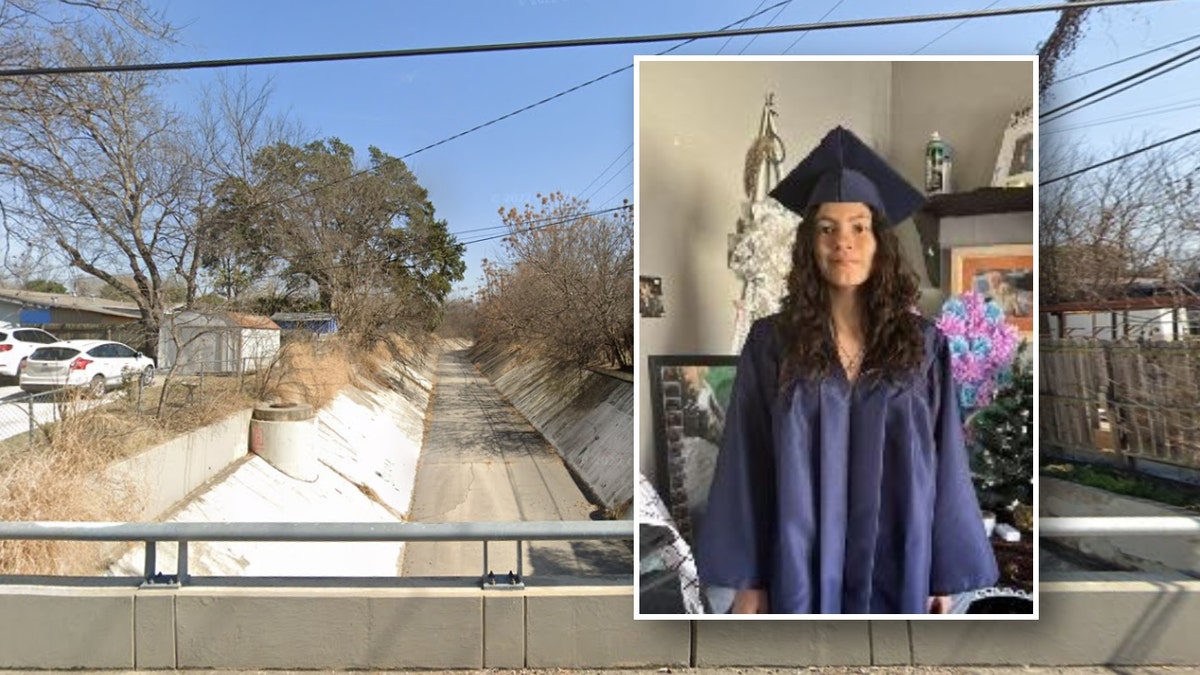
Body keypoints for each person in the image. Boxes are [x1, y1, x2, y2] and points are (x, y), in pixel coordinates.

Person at [695, 126, 998, 614]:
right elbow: (746, 463)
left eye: (859, 226)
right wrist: (749, 580)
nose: (844, 243)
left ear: (880, 241)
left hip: (900, 557)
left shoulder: (923, 346)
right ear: (809, 244)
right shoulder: (772, 344)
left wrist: (940, 573)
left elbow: (945, 465)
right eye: (827, 228)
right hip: (798, 563)